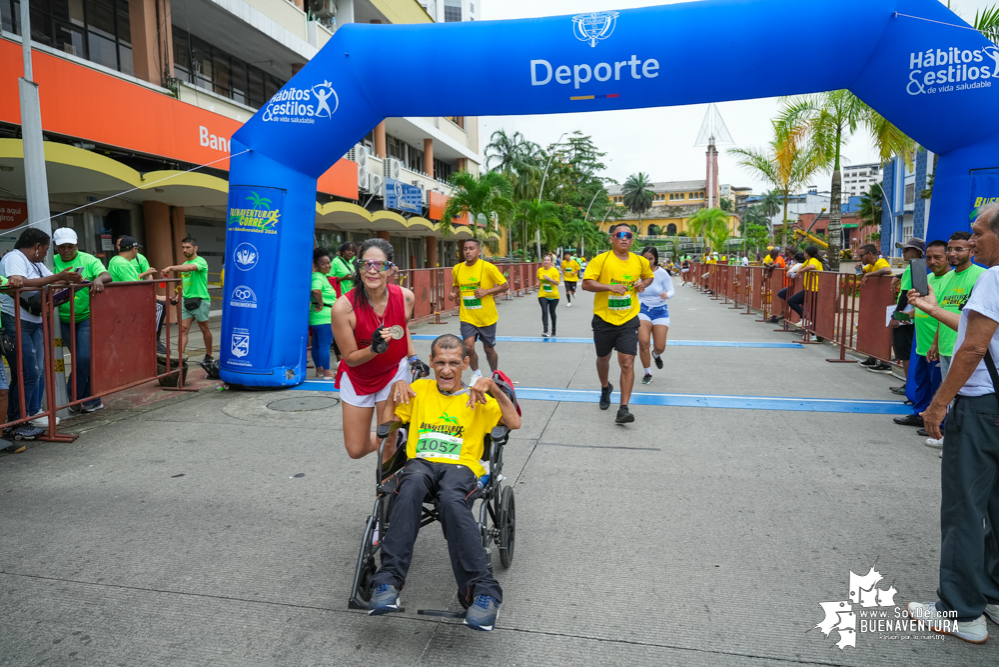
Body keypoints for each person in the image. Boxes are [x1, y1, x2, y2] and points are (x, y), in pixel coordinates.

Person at [368, 333, 521, 630]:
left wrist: (492, 387)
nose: (446, 370)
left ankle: (483, 593)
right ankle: (386, 584)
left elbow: (513, 423)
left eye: (453, 363)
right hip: (420, 465)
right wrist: (393, 391)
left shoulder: (477, 396)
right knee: (409, 487)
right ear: (431, 362)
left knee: (452, 500)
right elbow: (385, 425)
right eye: (440, 363)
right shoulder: (419, 390)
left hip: (461, 468)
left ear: (465, 364)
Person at [904, 203, 999, 644]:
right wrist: (928, 306)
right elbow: (970, 327)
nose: (973, 240)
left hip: (982, 408)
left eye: (979, 232)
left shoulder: (993, 279)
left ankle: (961, 611)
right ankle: (992, 593)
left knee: (964, 507)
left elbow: (973, 348)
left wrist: (938, 404)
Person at [331, 239, 424, 460]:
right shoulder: (343, 308)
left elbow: (403, 329)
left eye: (379, 265)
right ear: (359, 267)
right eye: (366, 264)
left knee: (387, 443)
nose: (372, 271)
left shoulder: (405, 297)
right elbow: (351, 359)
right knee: (356, 450)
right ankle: (398, 437)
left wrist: (413, 357)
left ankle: (386, 492)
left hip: (394, 373)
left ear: (391, 269)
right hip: (358, 377)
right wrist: (374, 349)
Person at [0, 228, 82, 435]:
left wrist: (70, 279)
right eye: (45, 249)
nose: (46, 253)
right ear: (37, 247)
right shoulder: (14, 258)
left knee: (36, 371)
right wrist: (58, 277)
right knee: (27, 372)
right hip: (16, 319)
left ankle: (30, 414)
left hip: (34, 320)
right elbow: (18, 283)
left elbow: (52, 280)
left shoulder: (36, 263)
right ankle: (18, 421)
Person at [582, 223, 654, 424]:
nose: (624, 238)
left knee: (627, 362)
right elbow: (586, 284)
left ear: (632, 240)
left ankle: (623, 408)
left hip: (628, 319)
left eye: (628, 235)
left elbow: (649, 277)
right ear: (611, 238)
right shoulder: (601, 260)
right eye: (619, 235)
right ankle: (605, 388)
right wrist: (609, 287)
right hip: (604, 319)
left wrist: (642, 284)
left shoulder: (640, 261)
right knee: (603, 358)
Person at [920, 232, 986, 449]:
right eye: (950, 249)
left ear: (971, 250)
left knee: (962, 397)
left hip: (968, 348)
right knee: (950, 395)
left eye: (959, 249)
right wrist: (935, 343)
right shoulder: (946, 278)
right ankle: (948, 437)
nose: (952, 254)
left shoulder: (981, 276)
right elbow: (941, 312)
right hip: (947, 345)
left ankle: (958, 443)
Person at [53, 228, 112, 413]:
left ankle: (73, 397)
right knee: (80, 360)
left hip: (85, 316)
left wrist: (99, 281)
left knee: (84, 357)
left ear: (77, 244)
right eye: (62, 247)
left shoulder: (88, 259)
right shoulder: (50, 262)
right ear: (55, 247)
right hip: (60, 319)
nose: (66, 250)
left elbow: (106, 275)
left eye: (70, 246)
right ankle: (91, 399)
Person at [895, 240, 950, 429]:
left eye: (938, 257)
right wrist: (906, 315)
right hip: (922, 343)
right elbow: (922, 308)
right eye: (929, 258)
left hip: (938, 344)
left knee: (937, 387)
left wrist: (936, 343)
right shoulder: (927, 280)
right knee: (922, 383)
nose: (932, 262)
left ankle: (938, 423)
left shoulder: (950, 280)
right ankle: (920, 414)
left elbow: (945, 312)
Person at [449, 239, 508, 382]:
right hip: (467, 316)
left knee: (488, 349)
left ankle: (495, 374)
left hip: (486, 317)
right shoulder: (457, 268)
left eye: (471, 249)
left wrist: (486, 291)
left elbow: (505, 285)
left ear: (478, 251)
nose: (467, 252)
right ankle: (477, 374)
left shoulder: (488, 267)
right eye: (465, 249)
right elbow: (457, 285)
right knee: (468, 347)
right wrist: (454, 294)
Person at [161, 236, 214, 365]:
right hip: (186, 301)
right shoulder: (183, 265)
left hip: (201, 299)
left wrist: (171, 268)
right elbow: (184, 283)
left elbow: (190, 268)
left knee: (204, 327)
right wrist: (178, 295)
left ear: (195, 248)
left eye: (188, 247)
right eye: (183, 247)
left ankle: (209, 354)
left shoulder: (201, 261)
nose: (185, 250)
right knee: (183, 329)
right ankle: (180, 357)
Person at [879, 238, 924, 385]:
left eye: (906, 250)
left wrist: (896, 316)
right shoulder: (919, 266)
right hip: (915, 315)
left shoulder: (913, 267)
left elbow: (905, 294)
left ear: (917, 252)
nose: (903, 252)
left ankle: (909, 385)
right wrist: (898, 276)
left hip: (906, 317)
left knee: (906, 354)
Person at [637, 247, 675, 385]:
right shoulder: (637, 272)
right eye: (645, 258)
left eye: (651, 258)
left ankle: (656, 354)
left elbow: (671, 290)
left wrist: (667, 295)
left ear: (655, 259)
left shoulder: (662, 273)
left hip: (660, 311)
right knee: (644, 342)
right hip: (642, 309)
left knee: (660, 346)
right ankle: (647, 373)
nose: (648, 261)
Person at [857, 244, 894, 371]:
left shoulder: (880, 262)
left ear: (870, 254)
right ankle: (872, 357)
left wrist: (868, 275)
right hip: (878, 303)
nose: (859, 257)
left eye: (861, 255)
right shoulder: (871, 265)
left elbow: (887, 270)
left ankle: (885, 362)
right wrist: (862, 270)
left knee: (884, 330)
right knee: (873, 328)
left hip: (886, 302)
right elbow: (865, 271)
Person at [310, 248, 336, 380]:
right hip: (324, 316)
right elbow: (315, 290)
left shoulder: (321, 276)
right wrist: (320, 303)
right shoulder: (318, 276)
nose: (327, 266)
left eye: (328, 262)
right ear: (316, 265)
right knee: (325, 345)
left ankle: (320, 370)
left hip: (318, 317)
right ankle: (327, 372)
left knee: (317, 344)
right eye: (323, 264)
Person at [768, 251, 805, 324]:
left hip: (797, 286)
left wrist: (790, 268)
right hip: (802, 286)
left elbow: (788, 273)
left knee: (785, 296)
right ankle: (786, 312)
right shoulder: (803, 264)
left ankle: (787, 312)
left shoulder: (797, 265)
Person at [537, 255, 560, 337]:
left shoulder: (554, 271)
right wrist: (538, 283)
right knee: (544, 311)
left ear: (551, 262)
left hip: (554, 295)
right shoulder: (540, 270)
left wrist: (548, 279)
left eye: (548, 260)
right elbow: (538, 279)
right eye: (545, 260)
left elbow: (557, 282)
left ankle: (554, 330)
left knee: (552, 313)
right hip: (543, 294)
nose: (546, 261)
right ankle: (545, 331)